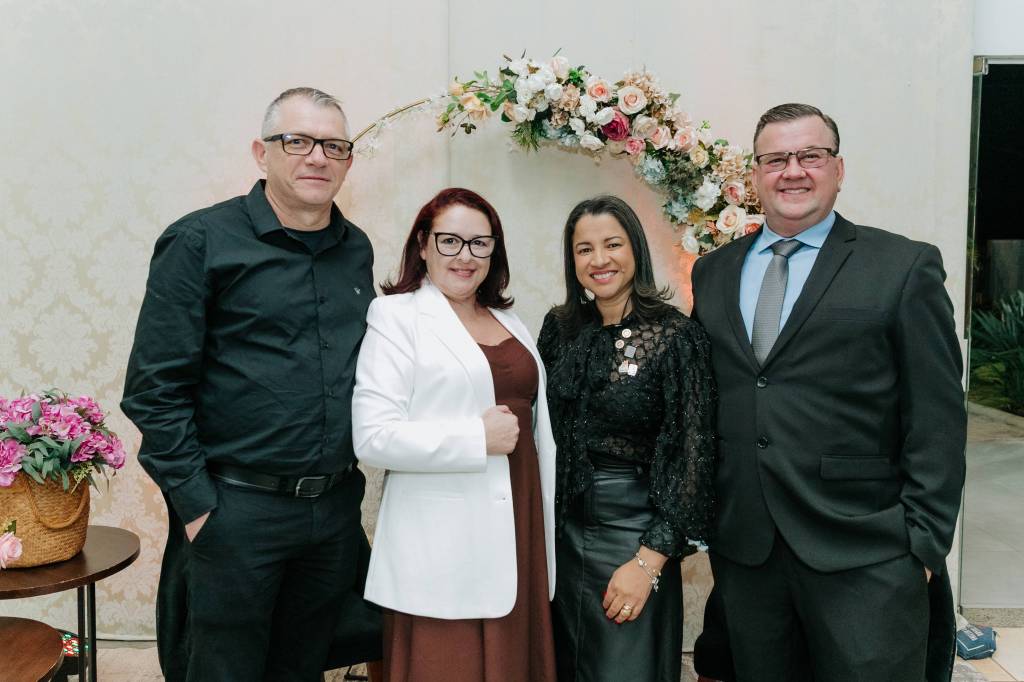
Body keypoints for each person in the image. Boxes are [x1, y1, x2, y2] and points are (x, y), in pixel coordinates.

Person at [690, 103, 966, 682]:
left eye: (810, 156)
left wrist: (923, 543)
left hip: (866, 551)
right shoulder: (712, 271)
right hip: (749, 555)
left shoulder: (902, 265)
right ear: (755, 175)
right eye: (775, 159)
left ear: (838, 169)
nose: (792, 171)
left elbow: (937, 417)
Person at [122, 87, 375, 682]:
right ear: (262, 153)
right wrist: (198, 508)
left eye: (333, 146)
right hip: (236, 512)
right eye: (298, 141)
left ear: (348, 161)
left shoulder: (355, 249)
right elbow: (154, 390)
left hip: (333, 512)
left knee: (303, 667)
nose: (317, 157)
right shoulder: (200, 241)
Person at [351, 188, 558, 682]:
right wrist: (474, 439)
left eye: (479, 244)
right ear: (423, 244)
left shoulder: (510, 320)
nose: (465, 256)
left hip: (520, 522)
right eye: (450, 241)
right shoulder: (396, 316)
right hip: (444, 545)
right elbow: (372, 437)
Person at [537, 195, 717, 682]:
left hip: (634, 536)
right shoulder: (559, 329)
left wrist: (649, 561)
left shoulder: (675, 337)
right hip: (560, 540)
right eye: (584, 249)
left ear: (635, 248)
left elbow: (696, 459)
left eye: (612, 244)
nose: (599, 260)